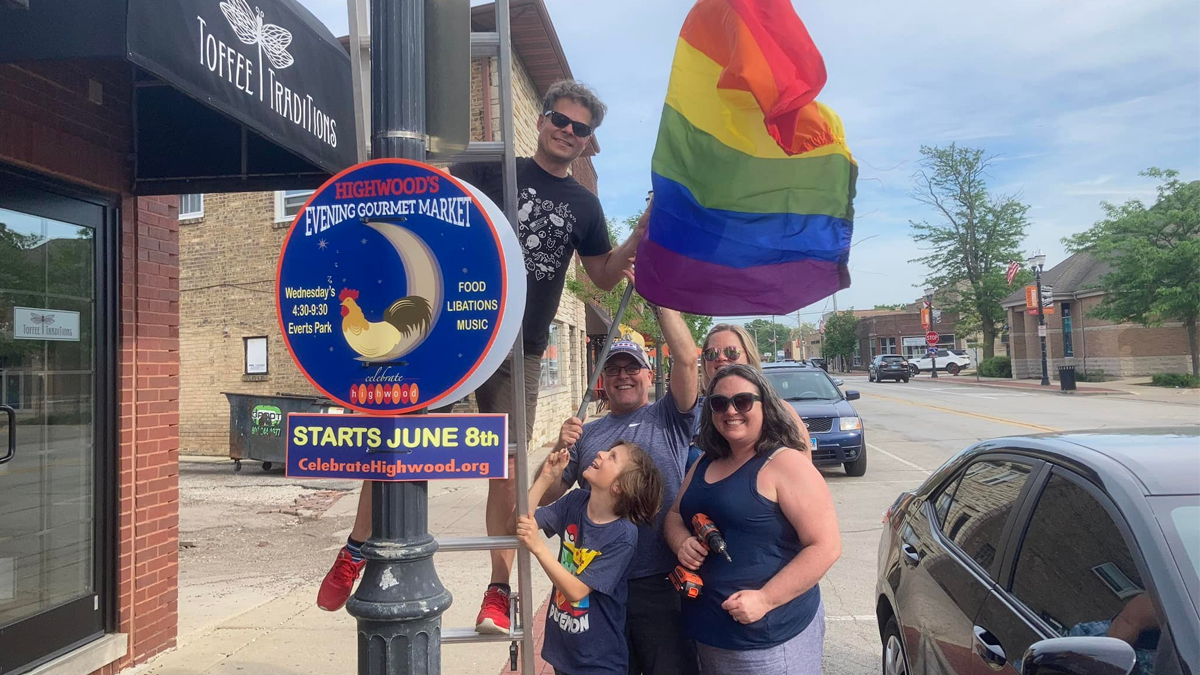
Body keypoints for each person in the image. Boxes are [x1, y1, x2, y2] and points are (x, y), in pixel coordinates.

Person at [317, 81, 649, 629]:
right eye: (559, 120)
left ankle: (498, 591)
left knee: (509, 467)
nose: (567, 131)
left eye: (580, 129)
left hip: (524, 346)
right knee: (399, 441)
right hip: (456, 335)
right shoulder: (496, 172)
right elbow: (432, 190)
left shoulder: (585, 205)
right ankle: (357, 548)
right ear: (542, 121)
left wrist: (635, 238)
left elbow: (600, 275)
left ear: (589, 142)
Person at [540, 305, 700, 675]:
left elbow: (688, 361)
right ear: (602, 379)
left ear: (649, 374)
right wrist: (557, 451)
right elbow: (550, 493)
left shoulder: (670, 416)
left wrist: (660, 301)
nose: (622, 376)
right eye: (612, 369)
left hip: (655, 581)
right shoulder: (588, 435)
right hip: (594, 588)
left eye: (631, 367)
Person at [665, 364, 841, 674]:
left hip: (768, 643)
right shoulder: (705, 461)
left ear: (766, 406)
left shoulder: (786, 464)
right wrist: (681, 542)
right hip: (708, 637)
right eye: (719, 403)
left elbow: (825, 546)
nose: (730, 411)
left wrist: (765, 599)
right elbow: (675, 515)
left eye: (743, 401)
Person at [516, 440, 664, 675]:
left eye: (612, 457)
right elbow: (519, 522)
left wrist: (538, 547)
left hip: (598, 661)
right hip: (563, 652)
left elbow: (576, 592)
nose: (601, 453)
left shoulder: (623, 535)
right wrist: (545, 478)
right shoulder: (575, 501)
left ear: (619, 487)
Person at [686, 324, 812, 471]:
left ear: (749, 357)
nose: (720, 358)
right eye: (712, 353)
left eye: (731, 352)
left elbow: (804, 474)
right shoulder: (692, 413)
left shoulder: (782, 411)